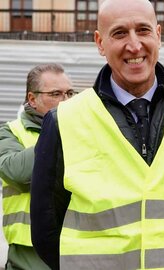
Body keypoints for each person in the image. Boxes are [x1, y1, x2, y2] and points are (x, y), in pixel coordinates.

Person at [29, 0, 164, 269]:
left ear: (158, 35)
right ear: (100, 43)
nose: (134, 45)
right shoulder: (64, 119)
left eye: (143, 30)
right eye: (120, 33)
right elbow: (46, 224)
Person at [0, 63, 74, 270]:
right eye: (56, 94)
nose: (66, 101)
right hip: (28, 255)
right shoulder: (10, 132)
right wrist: (57, 131)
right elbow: (16, 172)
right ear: (32, 99)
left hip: (74, 243)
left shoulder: (80, 130)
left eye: (69, 93)